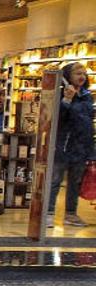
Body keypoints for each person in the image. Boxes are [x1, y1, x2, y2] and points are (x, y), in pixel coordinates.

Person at [48, 62, 95, 228]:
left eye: (84, 73)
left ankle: (71, 214)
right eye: (77, 73)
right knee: (55, 180)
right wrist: (67, 99)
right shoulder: (60, 94)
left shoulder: (87, 95)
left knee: (75, 182)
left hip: (81, 146)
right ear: (67, 76)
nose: (82, 76)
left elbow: (89, 122)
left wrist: (91, 152)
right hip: (63, 144)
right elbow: (56, 119)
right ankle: (48, 213)